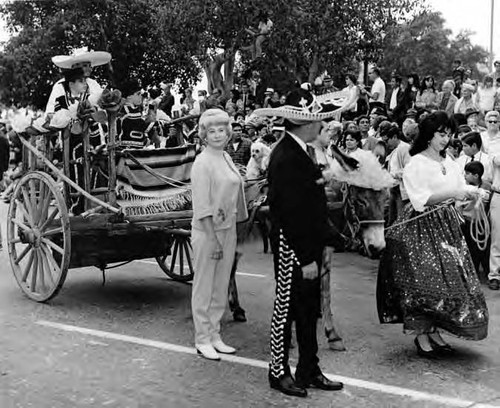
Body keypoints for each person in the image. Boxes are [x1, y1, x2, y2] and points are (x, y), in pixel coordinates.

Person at [254, 89, 349, 397]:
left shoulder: (300, 152)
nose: (321, 126)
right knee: (286, 308)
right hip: (292, 246)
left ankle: (308, 368)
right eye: (317, 122)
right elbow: (290, 214)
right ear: (302, 123)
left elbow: (311, 206)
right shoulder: (285, 156)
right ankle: (277, 371)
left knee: (308, 309)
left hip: (308, 244)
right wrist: (306, 258)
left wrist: (331, 238)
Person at [377, 111, 488, 358]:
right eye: (441, 134)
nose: (445, 139)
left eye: (448, 134)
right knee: (424, 280)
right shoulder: (416, 162)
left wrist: (472, 194)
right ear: (429, 135)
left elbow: (458, 189)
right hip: (421, 226)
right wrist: (455, 194)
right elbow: (419, 200)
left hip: (446, 225)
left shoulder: (448, 160)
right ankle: (421, 334)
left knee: (448, 278)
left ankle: (434, 330)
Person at [190, 109, 248, 361]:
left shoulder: (225, 157)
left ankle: (215, 334)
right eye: (211, 131)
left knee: (221, 284)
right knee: (204, 286)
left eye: (221, 130)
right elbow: (202, 206)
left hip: (228, 228)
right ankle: (202, 338)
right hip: (207, 232)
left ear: (228, 132)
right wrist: (213, 240)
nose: (217, 135)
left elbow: (237, 191)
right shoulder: (202, 162)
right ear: (204, 135)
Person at [46, 49, 110, 115]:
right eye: (85, 66)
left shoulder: (93, 84)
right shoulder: (60, 85)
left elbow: (101, 105)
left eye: (90, 66)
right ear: (74, 67)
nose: (89, 69)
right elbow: (51, 109)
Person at [456, 161, 490, 281]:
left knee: (483, 249)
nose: (465, 175)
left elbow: (486, 200)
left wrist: (480, 198)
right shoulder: (465, 187)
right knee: (469, 249)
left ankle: (487, 273)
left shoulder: (485, 186)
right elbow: (458, 204)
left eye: (467, 173)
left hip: (481, 223)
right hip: (467, 222)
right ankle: (471, 274)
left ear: (476, 176)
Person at [487, 111, 500, 290]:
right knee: (497, 237)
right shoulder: (495, 143)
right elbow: (497, 160)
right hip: (499, 194)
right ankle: (495, 274)